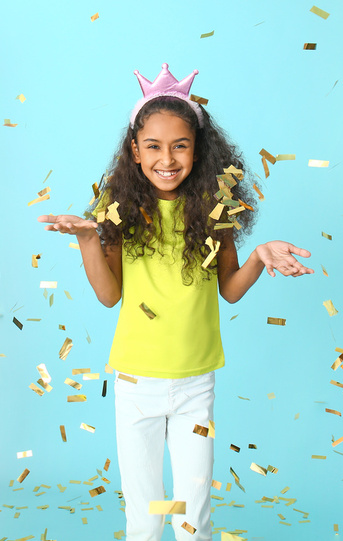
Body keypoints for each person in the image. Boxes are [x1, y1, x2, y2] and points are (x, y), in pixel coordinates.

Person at [38, 63, 313, 541]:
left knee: (193, 515)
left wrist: (260, 257)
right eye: (154, 146)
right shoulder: (119, 210)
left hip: (195, 385)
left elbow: (228, 289)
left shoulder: (216, 209)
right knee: (145, 517)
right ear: (135, 152)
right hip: (135, 383)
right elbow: (108, 296)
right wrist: (87, 237)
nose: (167, 158)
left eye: (180, 145)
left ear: (198, 150)